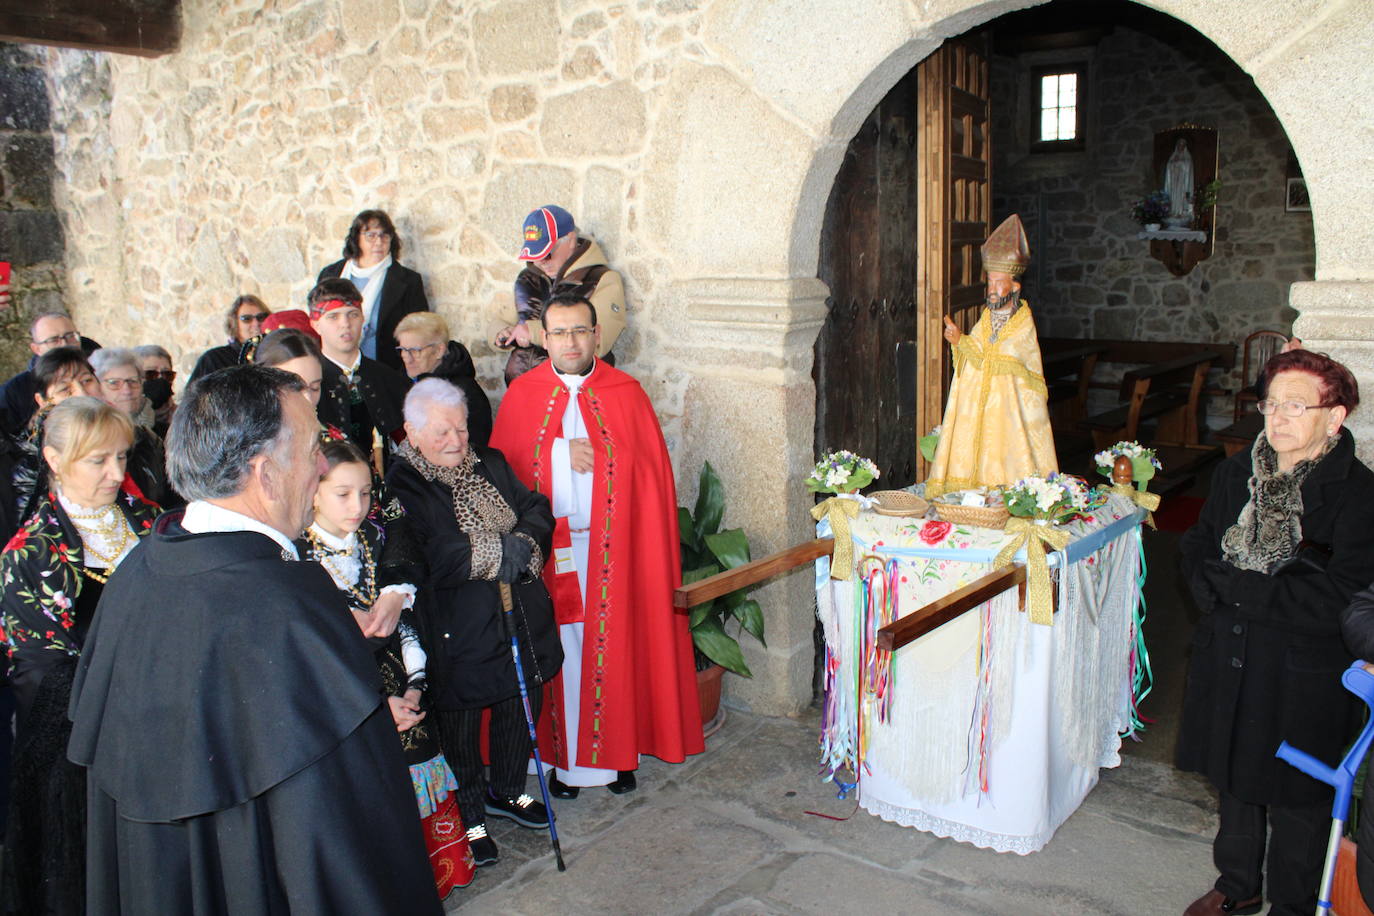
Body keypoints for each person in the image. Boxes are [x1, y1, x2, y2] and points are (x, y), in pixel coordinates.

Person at [67, 365, 441, 915]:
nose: (320, 467)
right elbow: (344, 836)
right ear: (265, 474)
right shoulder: (288, 608)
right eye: (314, 447)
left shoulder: (136, 574)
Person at [1178, 349, 1374, 916]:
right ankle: (1238, 886)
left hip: (1302, 672)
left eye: (1297, 405)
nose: (1278, 418)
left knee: (1297, 798)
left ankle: (1292, 904)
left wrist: (1237, 588)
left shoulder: (1359, 496)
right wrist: (1212, 588)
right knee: (1236, 780)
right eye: (1271, 404)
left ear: (1334, 418)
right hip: (1231, 652)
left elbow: (1341, 598)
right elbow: (1196, 545)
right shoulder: (1237, 472)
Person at [491, 294, 702, 799]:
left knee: (619, 646)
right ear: (544, 339)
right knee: (558, 650)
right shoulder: (522, 395)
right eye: (559, 333)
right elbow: (506, 476)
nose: (570, 342)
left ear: (597, 336)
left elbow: (648, 477)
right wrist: (561, 456)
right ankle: (562, 762)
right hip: (550, 557)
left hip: (617, 553)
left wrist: (605, 458)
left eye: (580, 331)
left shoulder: (626, 393)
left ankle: (616, 756)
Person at [385, 378, 562, 867]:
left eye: (461, 429)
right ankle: (469, 814)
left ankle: (506, 790)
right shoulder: (403, 483)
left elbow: (534, 506)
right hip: (455, 626)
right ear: (412, 433)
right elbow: (426, 553)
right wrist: (493, 551)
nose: (457, 442)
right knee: (460, 722)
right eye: (442, 432)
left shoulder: (490, 462)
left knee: (519, 697)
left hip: (516, 614)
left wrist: (522, 544)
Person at [296, 438, 474, 899]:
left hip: (402, 684)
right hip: (348, 699)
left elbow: (406, 622)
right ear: (313, 492)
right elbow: (312, 657)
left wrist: (415, 686)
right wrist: (377, 702)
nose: (357, 506)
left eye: (365, 494)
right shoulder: (296, 559)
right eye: (342, 494)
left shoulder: (376, 540)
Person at [0, 397, 158, 915]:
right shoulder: (30, 554)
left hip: (164, 736)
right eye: (98, 460)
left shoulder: (151, 521)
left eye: (122, 456)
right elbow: (40, 675)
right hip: (81, 758)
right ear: (53, 458)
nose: (116, 472)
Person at [255, 326, 409, 642]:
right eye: (295, 386)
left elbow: (392, 515)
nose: (308, 399)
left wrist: (395, 589)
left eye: (315, 386)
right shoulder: (247, 453)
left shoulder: (336, 441)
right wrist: (329, 609)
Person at [924, 214, 1058, 497]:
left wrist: (974, 350)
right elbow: (978, 353)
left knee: (1004, 464)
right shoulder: (985, 318)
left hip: (1008, 415)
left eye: (999, 283)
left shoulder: (1023, 323)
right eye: (990, 283)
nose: (993, 290)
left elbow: (1015, 362)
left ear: (1015, 288)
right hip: (979, 411)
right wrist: (959, 341)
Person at [490, 205, 626, 384]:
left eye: (547, 254)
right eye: (535, 255)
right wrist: (502, 333)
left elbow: (599, 339)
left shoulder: (601, 279)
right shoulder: (529, 278)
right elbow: (498, 318)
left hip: (578, 392)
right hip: (526, 391)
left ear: (570, 240)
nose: (541, 262)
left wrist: (534, 333)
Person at [309, 278, 411, 462]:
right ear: (315, 323)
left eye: (353, 314)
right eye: (333, 316)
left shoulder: (392, 381)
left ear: (363, 318)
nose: (345, 324)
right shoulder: (306, 386)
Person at [318, 209, 430, 374]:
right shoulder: (331, 274)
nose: (379, 242)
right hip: (335, 368)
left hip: (386, 370)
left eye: (385, 235)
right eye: (371, 235)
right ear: (356, 238)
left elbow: (419, 330)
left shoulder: (407, 280)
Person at [11, 348, 103, 525]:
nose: (82, 394)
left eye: (87, 381)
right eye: (65, 389)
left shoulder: (138, 437)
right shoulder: (30, 461)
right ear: (42, 401)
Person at [89, 348, 174, 507]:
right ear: (98, 388)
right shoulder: (93, 440)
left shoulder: (161, 433)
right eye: (114, 383)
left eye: (132, 381)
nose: (126, 390)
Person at [395, 311, 493, 449]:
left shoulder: (465, 393)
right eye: (403, 350)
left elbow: (475, 448)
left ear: (439, 350)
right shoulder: (399, 382)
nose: (407, 358)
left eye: (415, 351)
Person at [0, 312, 101, 438]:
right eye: (53, 340)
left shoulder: (102, 367)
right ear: (36, 349)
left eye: (70, 336)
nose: (64, 344)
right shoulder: (13, 392)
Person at [188, 294, 271, 383]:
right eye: (246, 319)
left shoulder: (276, 356)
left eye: (261, 317)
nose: (256, 323)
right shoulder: (214, 359)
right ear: (234, 323)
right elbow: (193, 396)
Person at [133, 344, 178, 439]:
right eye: (151, 374)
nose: (161, 379)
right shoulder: (125, 422)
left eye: (167, 374)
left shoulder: (184, 417)